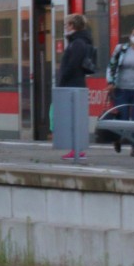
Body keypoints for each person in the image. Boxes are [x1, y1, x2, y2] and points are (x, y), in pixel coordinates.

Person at [56, 14, 97, 159]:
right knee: (73, 118)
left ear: (72, 25)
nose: (65, 28)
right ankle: (76, 150)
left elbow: (73, 65)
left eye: (66, 25)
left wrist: (62, 80)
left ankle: (77, 150)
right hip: (74, 83)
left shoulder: (77, 43)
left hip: (73, 85)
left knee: (74, 118)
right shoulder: (77, 41)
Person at [107, 27, 134, 154]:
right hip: (121, 89)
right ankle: (119, 139)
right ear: (130, 36)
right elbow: (112, 65)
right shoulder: (122, 49)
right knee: (124, 117)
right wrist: (111, 82)